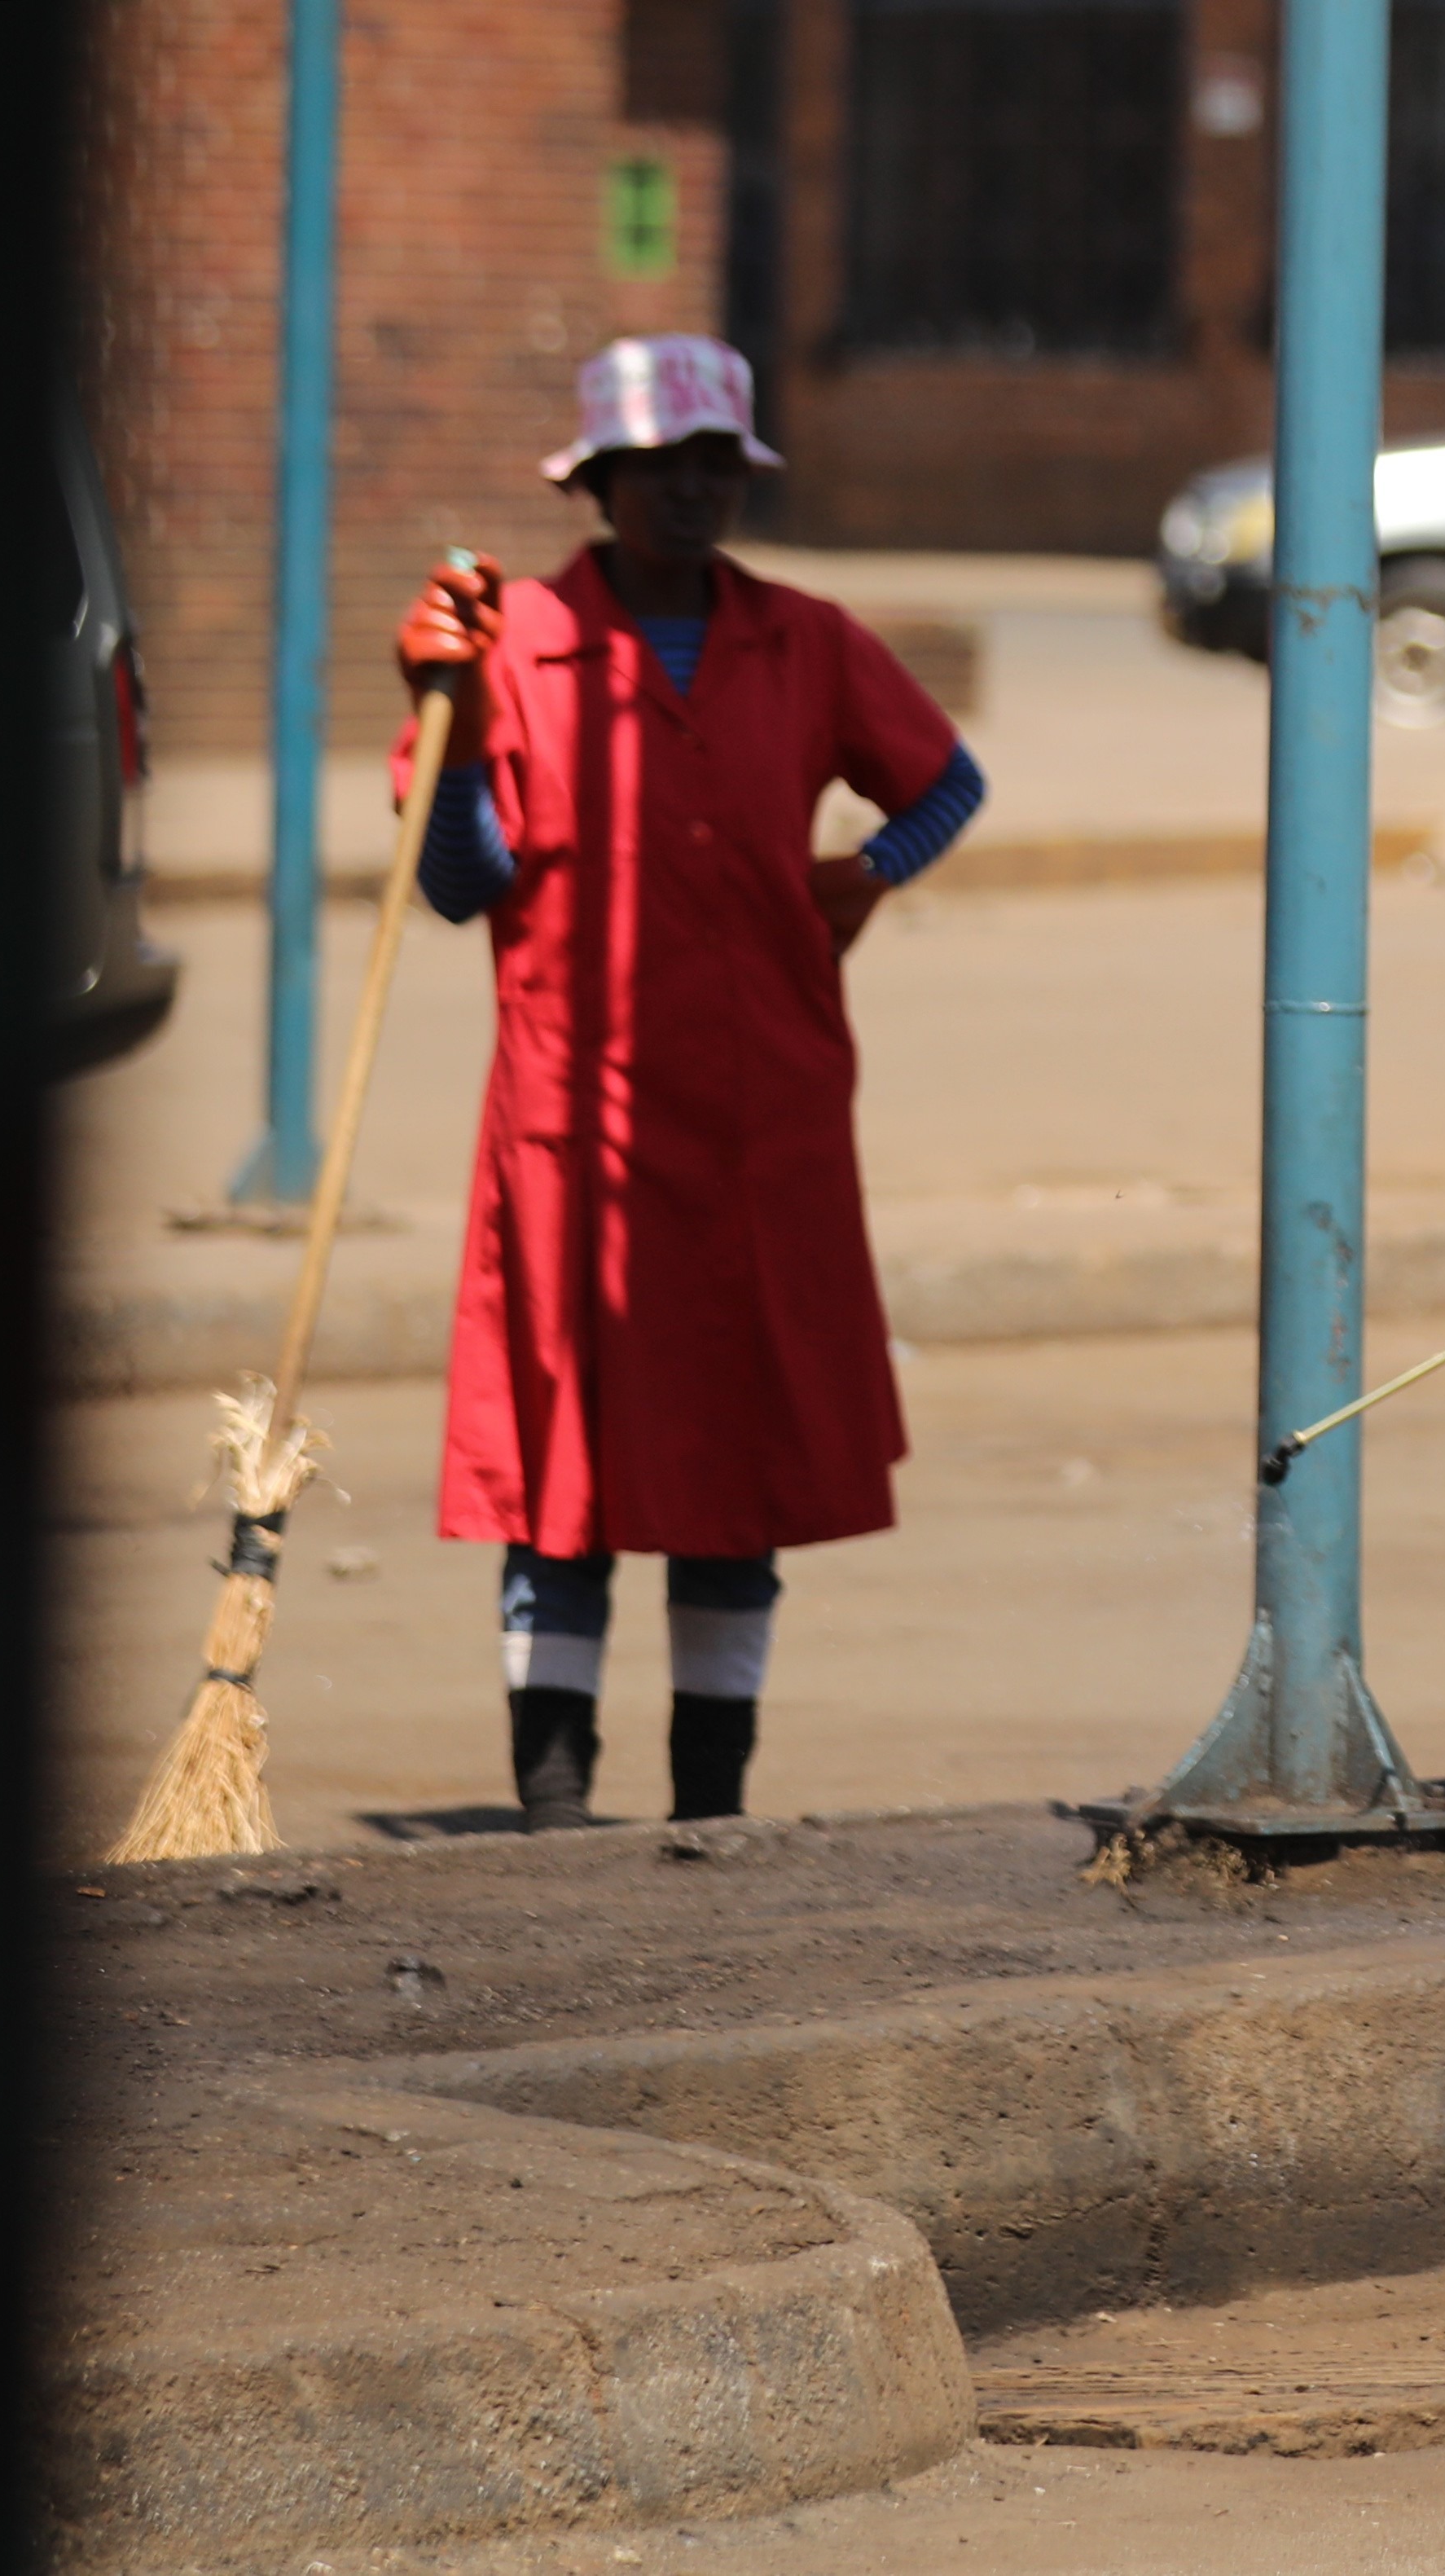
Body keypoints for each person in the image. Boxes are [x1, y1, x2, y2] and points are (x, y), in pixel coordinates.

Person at [389, 336, 988, 1831]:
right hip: (568, 1122)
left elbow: (948, 783)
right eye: (661, 467)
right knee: (564, 1469)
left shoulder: (811, 637)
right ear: (599, 483)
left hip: (763, 1122)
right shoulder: (511, 644)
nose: (693, 491)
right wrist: (447, 723)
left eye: (716, 462)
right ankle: (551, 1797)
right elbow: (462, 885)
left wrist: (862, 880)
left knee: (744, 1465)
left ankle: (710, 1808)